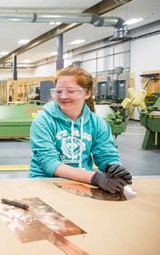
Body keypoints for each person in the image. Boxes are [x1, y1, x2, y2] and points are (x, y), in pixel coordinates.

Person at [29, 65, 132, 193]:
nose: (63, 96)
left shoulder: (97, 123)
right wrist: (95, 177)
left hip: (82, 184)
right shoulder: (43, 120)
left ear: (87, 93)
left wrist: (114, 169)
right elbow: (49, 163)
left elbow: (106, 155)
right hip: (46, 183)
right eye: (59, 91)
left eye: (71, 91)